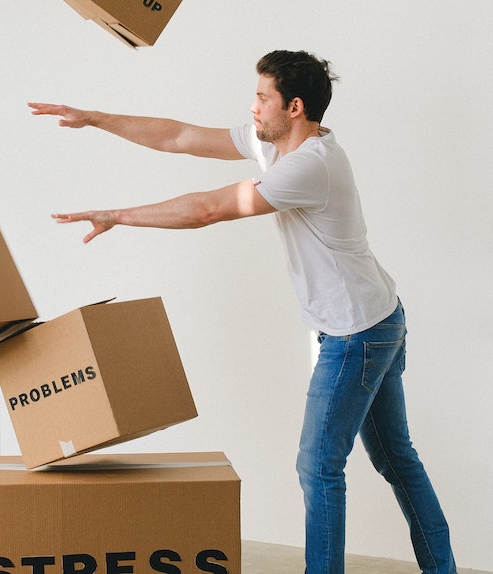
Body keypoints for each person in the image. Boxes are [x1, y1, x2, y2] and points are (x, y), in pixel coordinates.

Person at [29, 50, 456, 574]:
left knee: (319, 467)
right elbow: (179, 136)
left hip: (356, 335)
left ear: (294, 107)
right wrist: (95, 117)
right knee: (396, 460)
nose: (253, 107)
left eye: (262, 97)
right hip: (380, 317)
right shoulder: (278, 143)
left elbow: (208, 209)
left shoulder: (309, 167)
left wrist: (117, 215)